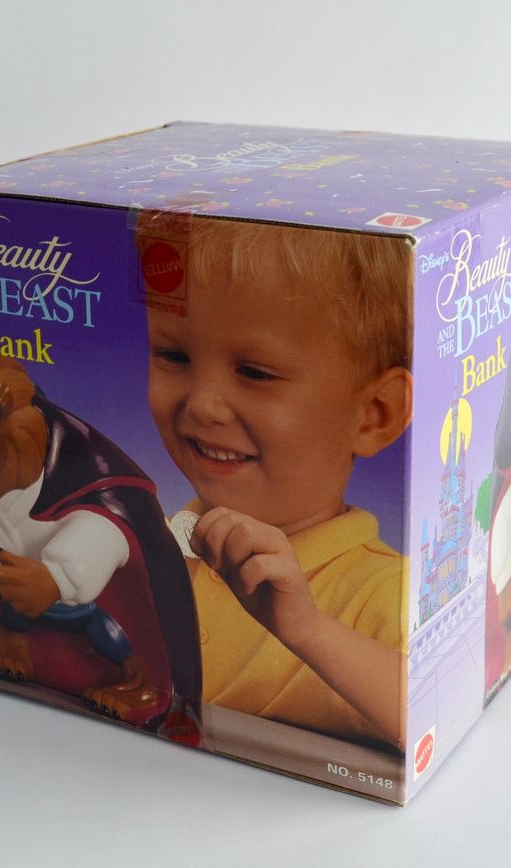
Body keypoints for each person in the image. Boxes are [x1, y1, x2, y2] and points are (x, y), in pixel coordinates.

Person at [141, 215, 413, 748]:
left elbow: (436, 707)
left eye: (255, 372)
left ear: (374, 415)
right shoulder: (148, 545)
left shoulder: (384, 592)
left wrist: (308, 629)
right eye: (174, 356)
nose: (203, 405)